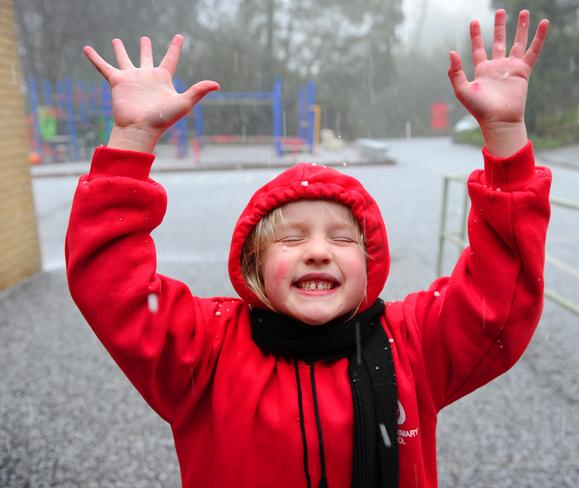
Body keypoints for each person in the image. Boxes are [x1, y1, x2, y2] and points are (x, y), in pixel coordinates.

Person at [66, 9, 551, 488]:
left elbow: (498, 295)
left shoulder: (415, 344)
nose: (318, 251)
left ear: (370, 262)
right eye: (291, 238)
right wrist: (132, 139)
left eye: (342, 238)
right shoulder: (204, 351)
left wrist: (506, 136)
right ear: (254, 263)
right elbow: (112, 284)